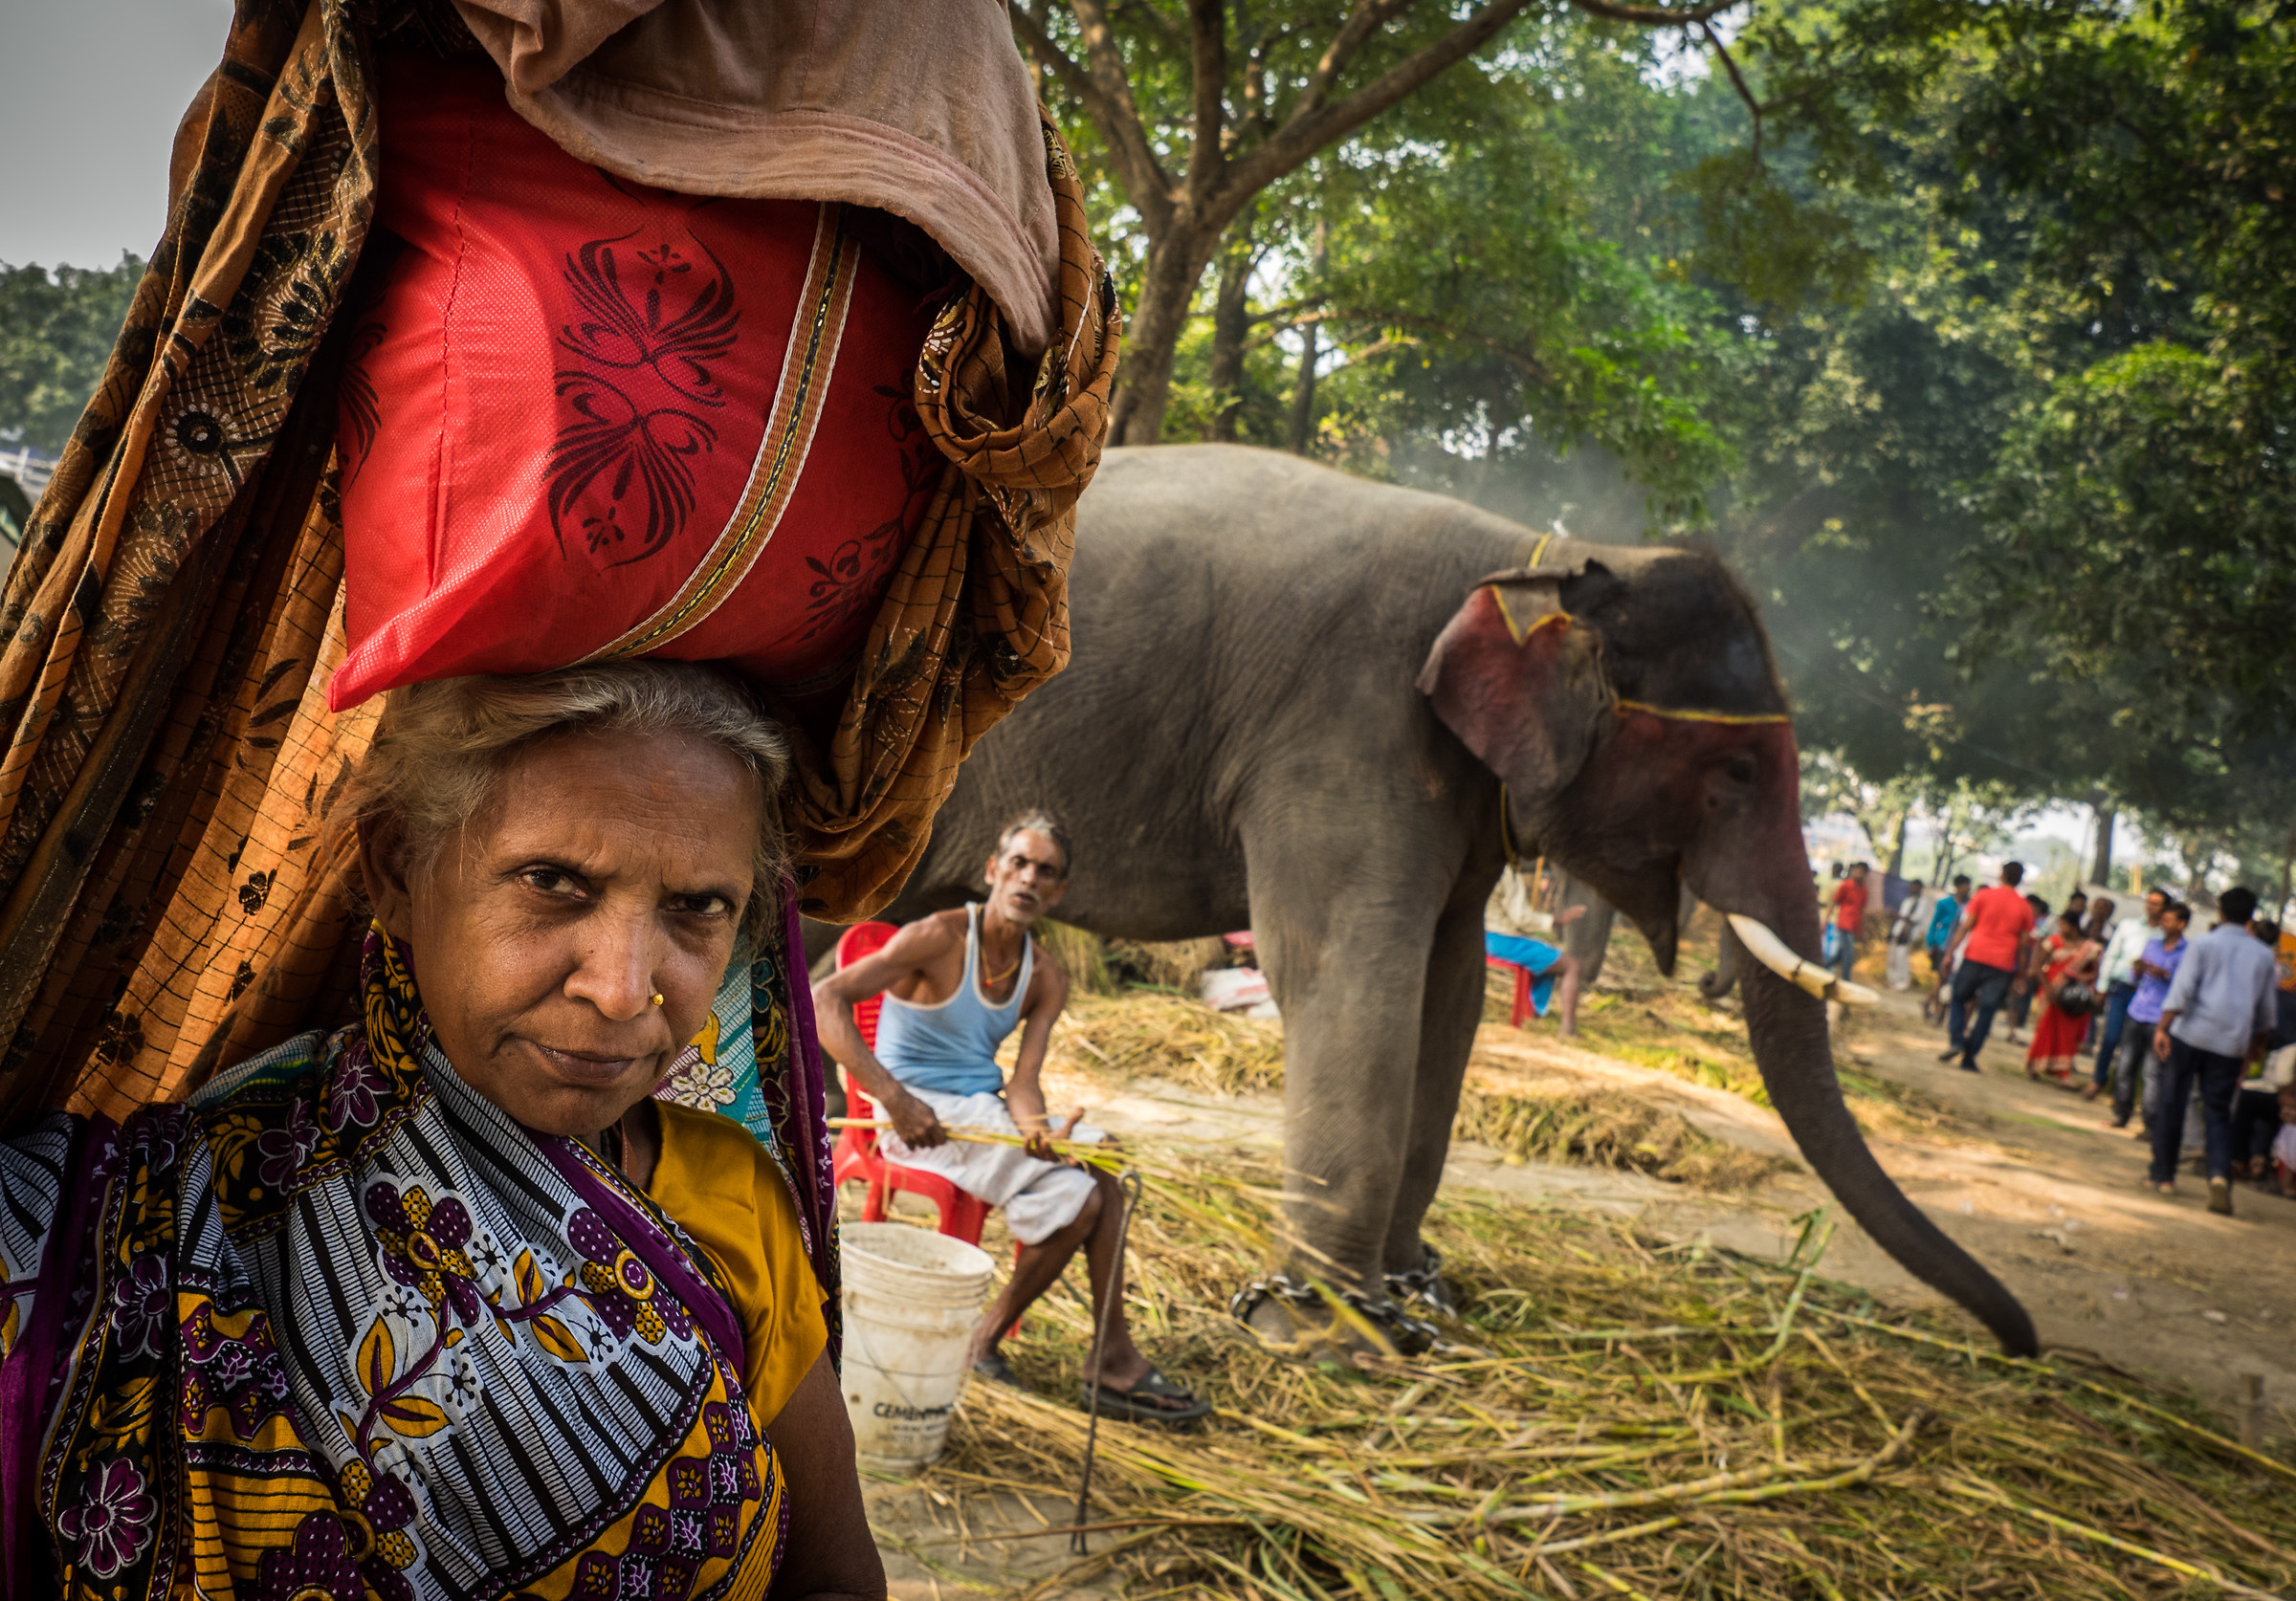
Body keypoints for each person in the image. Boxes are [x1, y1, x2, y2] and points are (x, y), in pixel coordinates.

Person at [0, 664, 881, 1598]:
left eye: (697, 907)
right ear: (397, 869)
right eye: (553, 882)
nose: (624, 990)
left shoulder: (731, 1195)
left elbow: (834, 1575)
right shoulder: (196, 1200)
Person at [813, 813, 1209, 1424]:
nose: (1029, 878)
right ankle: (1020, 1345)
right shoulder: (940, 936)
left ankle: (1104, 1353)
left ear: (1058, 893)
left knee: (1104, 1162)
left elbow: (1024, 1084)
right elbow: (824, 1001)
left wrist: (1037, 1129)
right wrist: (893, 1099)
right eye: (1019, 864)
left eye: (1045, 872)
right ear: (994, 870)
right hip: (916, 1118)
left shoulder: (1046, 976)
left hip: (980, 1114)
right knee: (1080, 1201)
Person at [2149, 887, 2280, 1213]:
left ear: (2220, 911)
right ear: (2251, 915)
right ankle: (2219, 1176)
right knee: (2218, 1112)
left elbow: (2182, 989)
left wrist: (2163, 1027)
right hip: (2230, 1043)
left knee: (2173, 1101)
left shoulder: (2203, 945)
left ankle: (2164, 1176)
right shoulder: (2263, 956)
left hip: (2191, 1033)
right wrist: (2257, 1046)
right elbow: (2265, 1012)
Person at [1940, 862, 2038, 1072]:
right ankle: (1969, 1057)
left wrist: (1949, 954)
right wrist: (2020, 974)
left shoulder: (1983, 896)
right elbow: (2023, 947)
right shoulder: (2024, 907)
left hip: (1974, 955)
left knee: (1958, 998)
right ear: (2020, 879)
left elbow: (1965, 927)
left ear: (2001, 875)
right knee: (1987, 1010)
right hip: (2002, 965)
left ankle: (1957, 1040)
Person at [2087, 888, 2167, 1102]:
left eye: (2157, 903)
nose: (2151, 907)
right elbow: (2111, 956)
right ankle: (2098, 1079)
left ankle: (2122, 1092)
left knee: (2132, 1046)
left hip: (2147, 994)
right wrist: (2102, 987)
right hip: (2121, 988)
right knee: (2111, 1037)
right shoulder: (2128, 926)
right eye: (2149, 902)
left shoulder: (2165, 936)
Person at [2118, 898, 2190, 1131]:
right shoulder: (2152, 944)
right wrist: (2138, 970)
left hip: (2160, 1017)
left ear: (2182, 924)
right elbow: (2134, 976)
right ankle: (2122, 1112)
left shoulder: (2187, 952)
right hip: (2138, 1009)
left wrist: (2166, 975)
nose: (2164, 923)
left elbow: (2185, 986)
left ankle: (2150, 1123)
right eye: (2164, 919)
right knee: (2125, 1065)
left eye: (2169, 920)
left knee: (2152, 1073)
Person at [2025, 903, 2107, 1086]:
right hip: (2053, 991)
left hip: (2075, 996)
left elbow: (2096, 972)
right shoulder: (2053, 941)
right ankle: (2036, 1064)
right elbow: (2038, 966)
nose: (2061, 929)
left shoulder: (2089, 947)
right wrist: (2047, 988)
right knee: (2046, 1029)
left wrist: (2080, 977)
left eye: (2064, 925)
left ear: (2074, 925)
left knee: (2069, 1032)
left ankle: (2063, 1072)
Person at [2002, 893, 2051, 1044]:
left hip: (2022, 966)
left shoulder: (2040, 927)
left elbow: (2039, 947)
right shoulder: (2016, 921)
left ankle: (2011, 1030)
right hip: (2007, 962)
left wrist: (2033, 967)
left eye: (2034, 908)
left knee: (2016, 999)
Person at [1923, 874, 1973, 1022]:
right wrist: (1929, 944)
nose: (1968, 888)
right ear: (1958, 886)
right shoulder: (1944, 903)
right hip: (1943, 944)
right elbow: (1933, 924)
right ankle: (1938, 1010)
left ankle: (1930, 1002)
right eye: (1966, 885)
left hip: (1959, 947)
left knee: (1949, 981)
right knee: (1942, 978)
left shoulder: (1969, 905)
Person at [1826, 862, 1872, 985]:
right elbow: (1834, 903)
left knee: (1840, 955)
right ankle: (1846, 981)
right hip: (1844, 923)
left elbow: (1862, 911)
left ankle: (1822, 965)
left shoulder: (1863, 890)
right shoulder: (1846, 885)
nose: (1859, 873)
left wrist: (1862, 931)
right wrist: (1825, 921)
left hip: (1854, 926)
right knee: (1849, 954)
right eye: (1857, 870)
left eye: (1862, 871)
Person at [1886, 879, 1927, 992]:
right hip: (1897, 931)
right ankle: (1892, 981)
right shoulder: (1907, 901)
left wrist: (1898, 915)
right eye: (1911, 886)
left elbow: (1915, 918)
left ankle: (1902, 982)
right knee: (1892, 958)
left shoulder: (1921, 902)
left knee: (1901, 958)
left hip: (1907, 934)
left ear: (1920, 888)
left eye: (1915, 887)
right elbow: (1901, 917)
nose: (1912, 889)